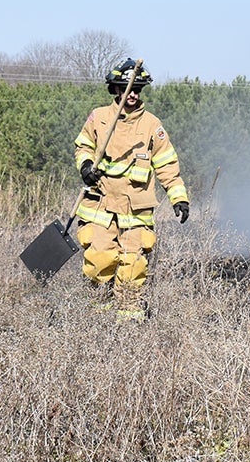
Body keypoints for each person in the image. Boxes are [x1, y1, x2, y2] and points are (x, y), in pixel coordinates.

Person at [75, 58, 190, 320]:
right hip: (101, 205)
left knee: (132, 267)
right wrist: (86, 167)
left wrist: (179, 198)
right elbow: (83, 147)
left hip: (136, 210)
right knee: (100, 261)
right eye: (128, 88)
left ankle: (129, 324)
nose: (133, 94)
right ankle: (97, 319)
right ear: (116, 89)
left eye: (138, 89)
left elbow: (167, 164)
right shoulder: (99, 118)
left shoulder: (151, 125)